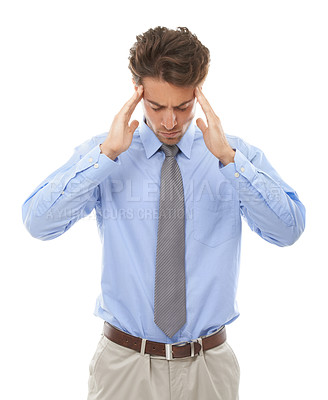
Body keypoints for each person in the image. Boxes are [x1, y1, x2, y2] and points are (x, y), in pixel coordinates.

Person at [21, 26, 306, 400]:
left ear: (199, 89)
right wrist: (105, 156)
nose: (169, 122)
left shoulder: (234, 157)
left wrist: (229, 161)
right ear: (137, 91)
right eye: (156, 107)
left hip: (209, 368)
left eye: (182, 106)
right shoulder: (107, 154)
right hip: (124, 366)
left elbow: (288, 230)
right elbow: (39, 223)